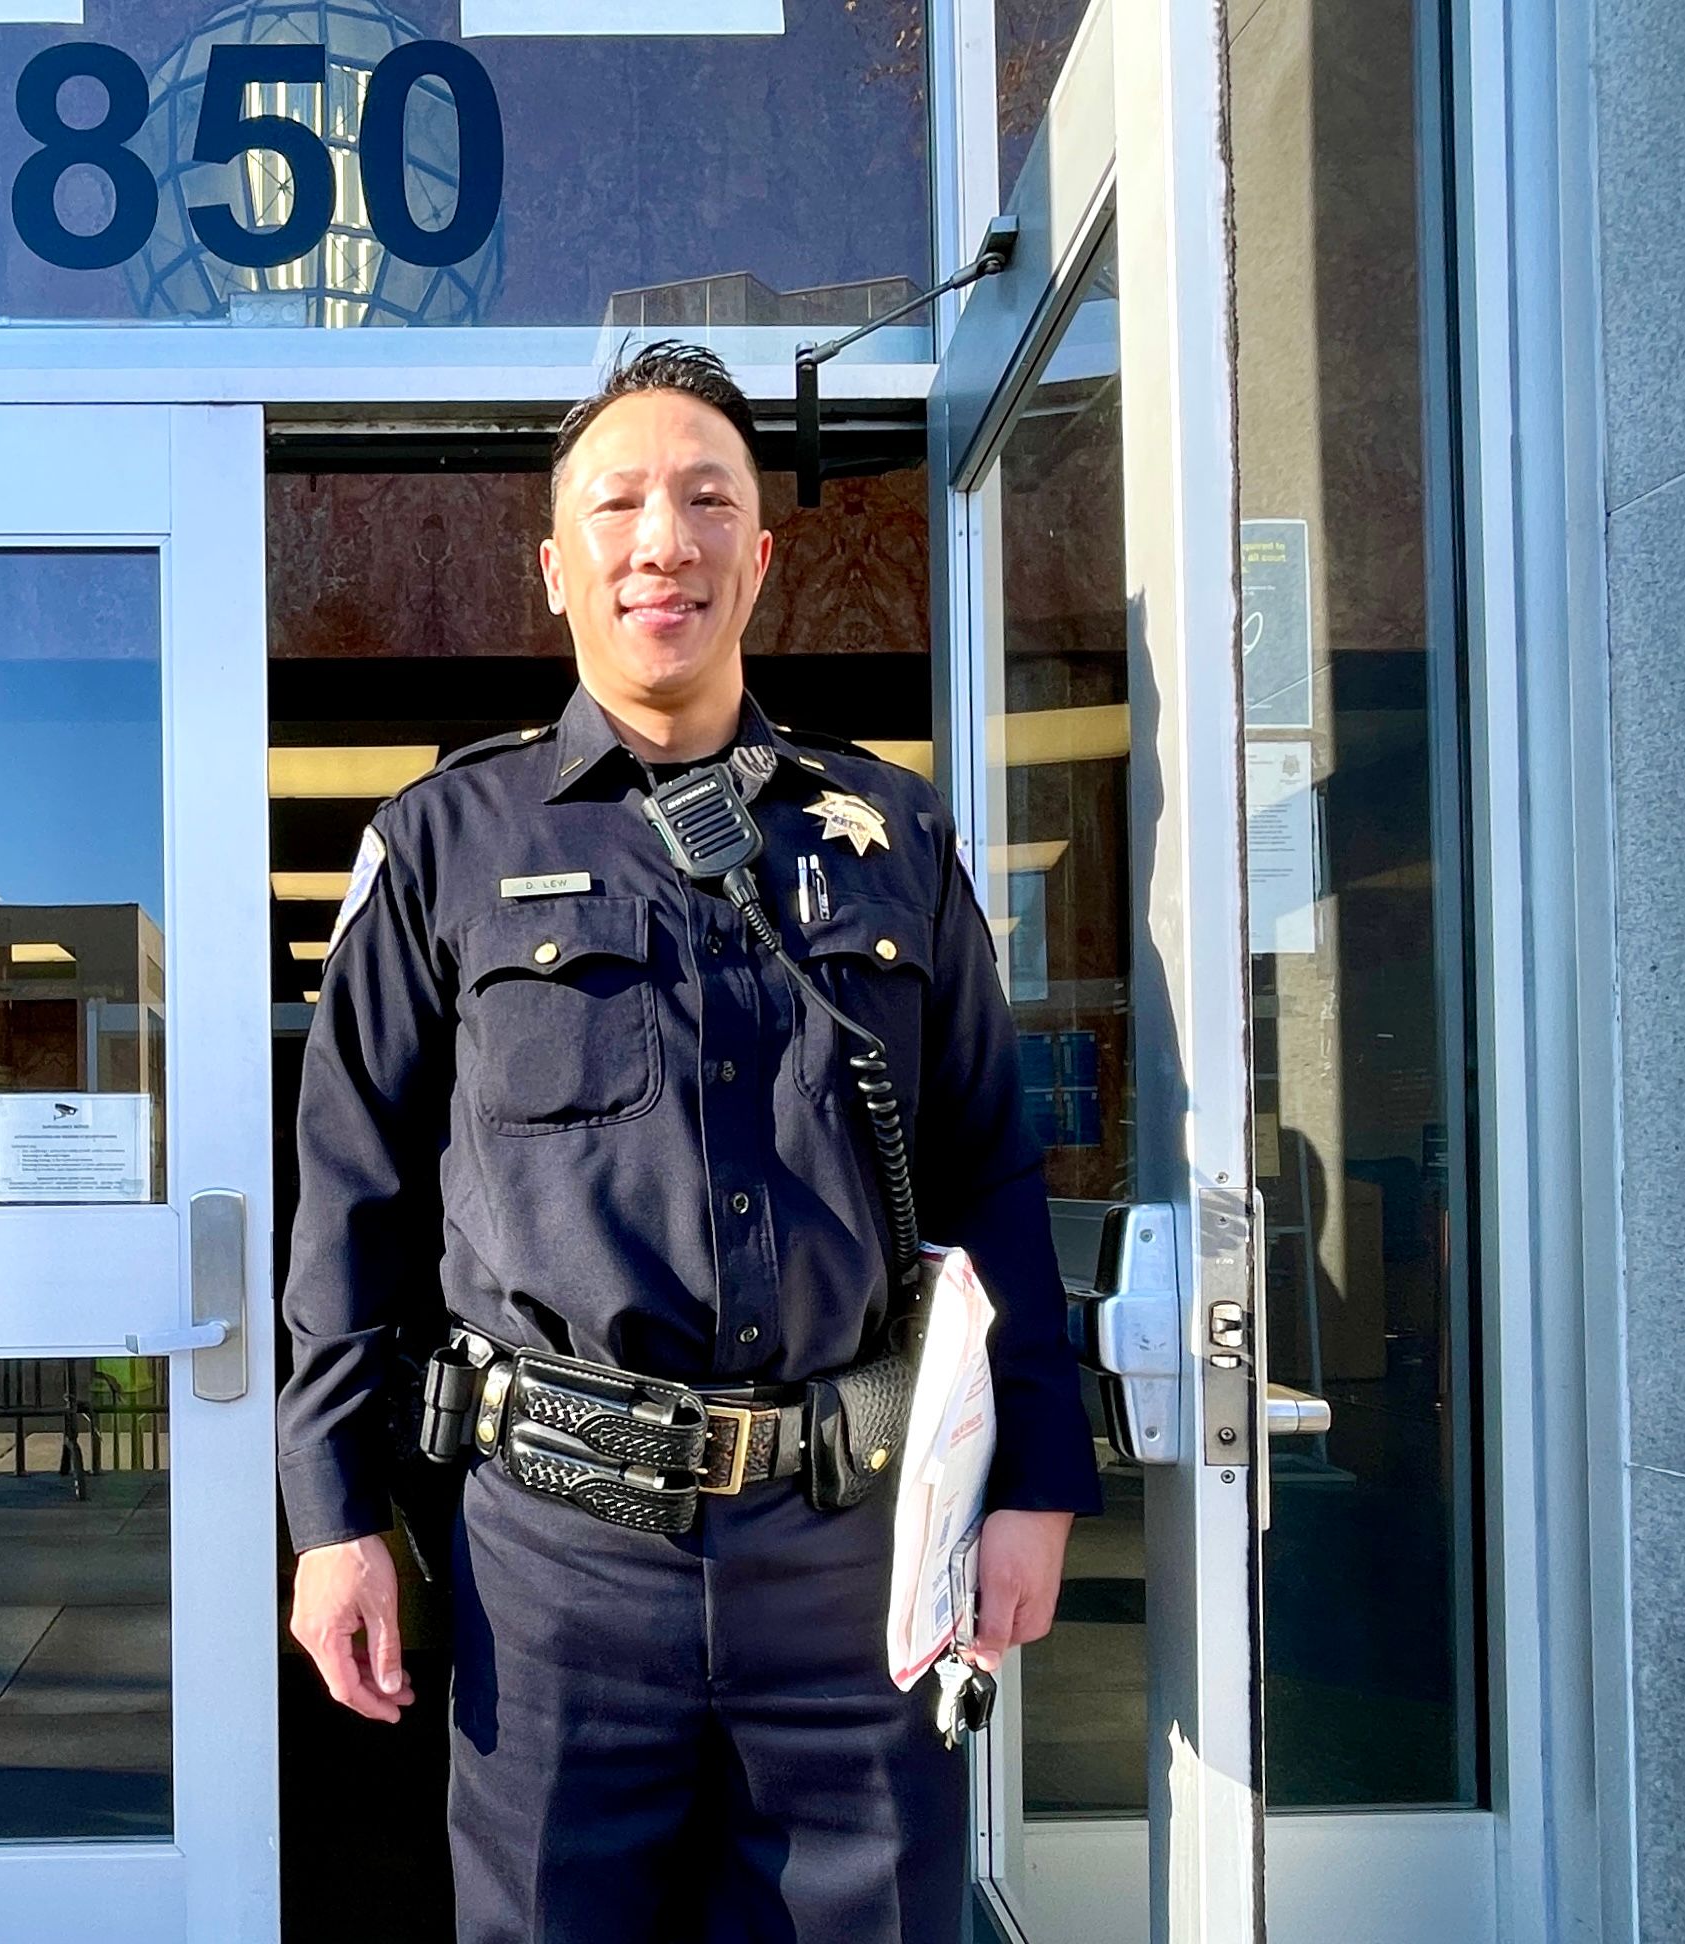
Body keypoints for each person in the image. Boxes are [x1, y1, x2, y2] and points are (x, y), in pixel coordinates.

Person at [279, 340, 1102, 1943]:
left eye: (708, 499)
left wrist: (1035, 1481)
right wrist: (332, 1515)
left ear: (760, 558)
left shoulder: (891, 833)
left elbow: (991, 1169)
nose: (666, 537)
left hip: (853, 1554)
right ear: (556, 566)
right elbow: (349, 1204)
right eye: (622, 503)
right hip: (558, 1558)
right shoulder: (445, 841)